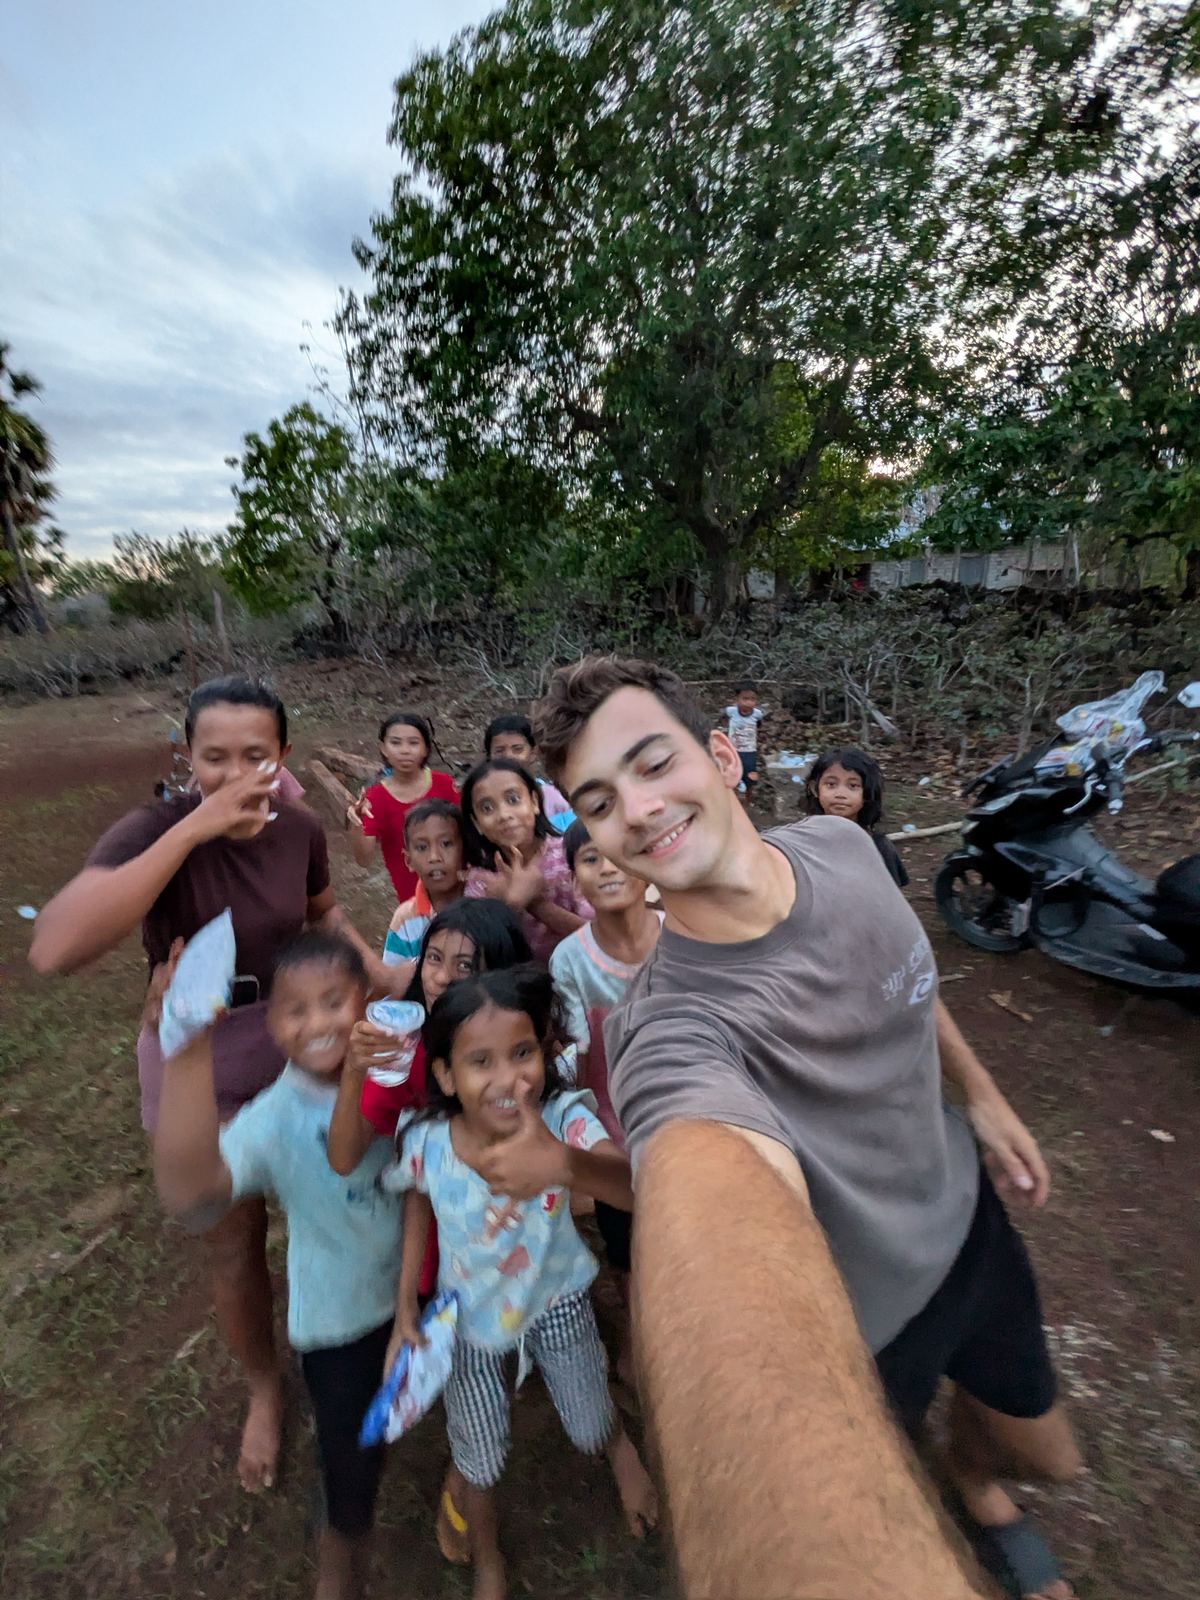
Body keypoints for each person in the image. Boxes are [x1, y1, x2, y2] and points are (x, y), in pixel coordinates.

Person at [535, 656, 1082, 1600]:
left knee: (1049, 1456)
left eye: (653, 763)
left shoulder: (845, 846)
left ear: (721, 756)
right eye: (597, 801)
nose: (635, 807)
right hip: (863, 1332)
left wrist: (983, 1095)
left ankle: (976, 1476)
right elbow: (713, 1228)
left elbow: (901, 966)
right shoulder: (666, 1034)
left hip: (969, 1219)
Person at [29, 675, 396, 1495]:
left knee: (336, 1198)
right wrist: (194, 827)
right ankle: (267, 1389)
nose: (234, 774)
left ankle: (346, 1340)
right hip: (201, 1059)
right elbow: (53, 950)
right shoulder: (152, 828)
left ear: (284, 756)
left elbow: (321, 914)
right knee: (231, 1240)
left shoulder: (299, 828)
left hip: (299, 1049)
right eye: (214, 757)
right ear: (186, 757)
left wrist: (379, 973)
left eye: (254, 756)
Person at [383, 965, 659, 1600]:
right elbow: (416, 1205)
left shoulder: (563, 1119)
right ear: (447, 1075)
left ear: (544, 1050)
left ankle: (618, 1449)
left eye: (523, 1052)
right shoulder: (426, 1142)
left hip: (557, 1298)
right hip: (469, 1322)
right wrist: (405, 1309)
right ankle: (488, 1562)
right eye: (480, 1062)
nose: (508, 1078)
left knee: (589, 1419)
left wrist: (563, 1163)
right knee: (479, 1455)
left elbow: (636, 1188)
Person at [154, 931, 399, 1600]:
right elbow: (194, 1199)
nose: (318, 1022)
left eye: (334, 1002)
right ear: (270, 1026)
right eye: (296, 1009)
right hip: (339, 1327)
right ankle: (338, 1569)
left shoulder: (399, 1069)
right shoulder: (273, 1118)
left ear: (368, 1003)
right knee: (350, 1466)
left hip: (419, 1297)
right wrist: (186, 1054)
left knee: (405, 1410)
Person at [549, 820, 662, 1384]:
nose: (610, 868)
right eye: (592, 859)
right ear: (574, 880)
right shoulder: (570, 961)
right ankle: (638, 1332)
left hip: (688, 1121)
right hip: (613, 1128)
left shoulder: (686, 937)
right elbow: (575, 1053)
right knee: (625, 1242)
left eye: (621, 855)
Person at [460, 757, 593, 964]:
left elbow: (601, 937)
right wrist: (508, 907)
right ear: (476, 823)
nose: (504, 815)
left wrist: (536, 904)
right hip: (523, 986)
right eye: (487, 808)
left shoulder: (570, 856)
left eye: (513, 799)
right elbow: (482, 954)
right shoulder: (482, 880)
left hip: (585, 972)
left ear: (534, 802)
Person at [347, 713, 459, 904]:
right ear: (383, 748)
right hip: (413, 900)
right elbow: (364, 859)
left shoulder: (445, 785)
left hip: (457, 891)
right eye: (396, 743)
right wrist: (356, 823)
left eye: (413, 743)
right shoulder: (375, 798)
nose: (405, 751)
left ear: (425, 749)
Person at [806, 746, 909, 888]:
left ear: (867, 793)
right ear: (814, 788)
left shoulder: (878, 847)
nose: (840, 794)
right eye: (831, 784)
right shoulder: (804, 843)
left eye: (853, 786)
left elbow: (892, 901)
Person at [382, 799, 467, 967]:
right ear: (408, 860)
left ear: (465, 850)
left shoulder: (485, 901)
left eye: (446, 844)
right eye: (422, 847)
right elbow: (392, 983)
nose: (434, 857)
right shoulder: (405, 920)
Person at [483, 713, 575, 832]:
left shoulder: (555, 797)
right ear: (489, 756)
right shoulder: (484, 801)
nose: (508, 756)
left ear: (533, 753)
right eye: (499, 751)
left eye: (517, 749)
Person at [721, 680, 765, 800]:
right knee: (732, 772)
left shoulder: (757, 714)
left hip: (750, 750)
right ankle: (732, 797)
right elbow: (723, 715)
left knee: (750, 775)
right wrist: (726, 726)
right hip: (733, 749)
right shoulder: (732, 711)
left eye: (752, 699)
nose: (749, 703)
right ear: (737, 699)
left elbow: (759, 724)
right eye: (745, 699)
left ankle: (749, 798)